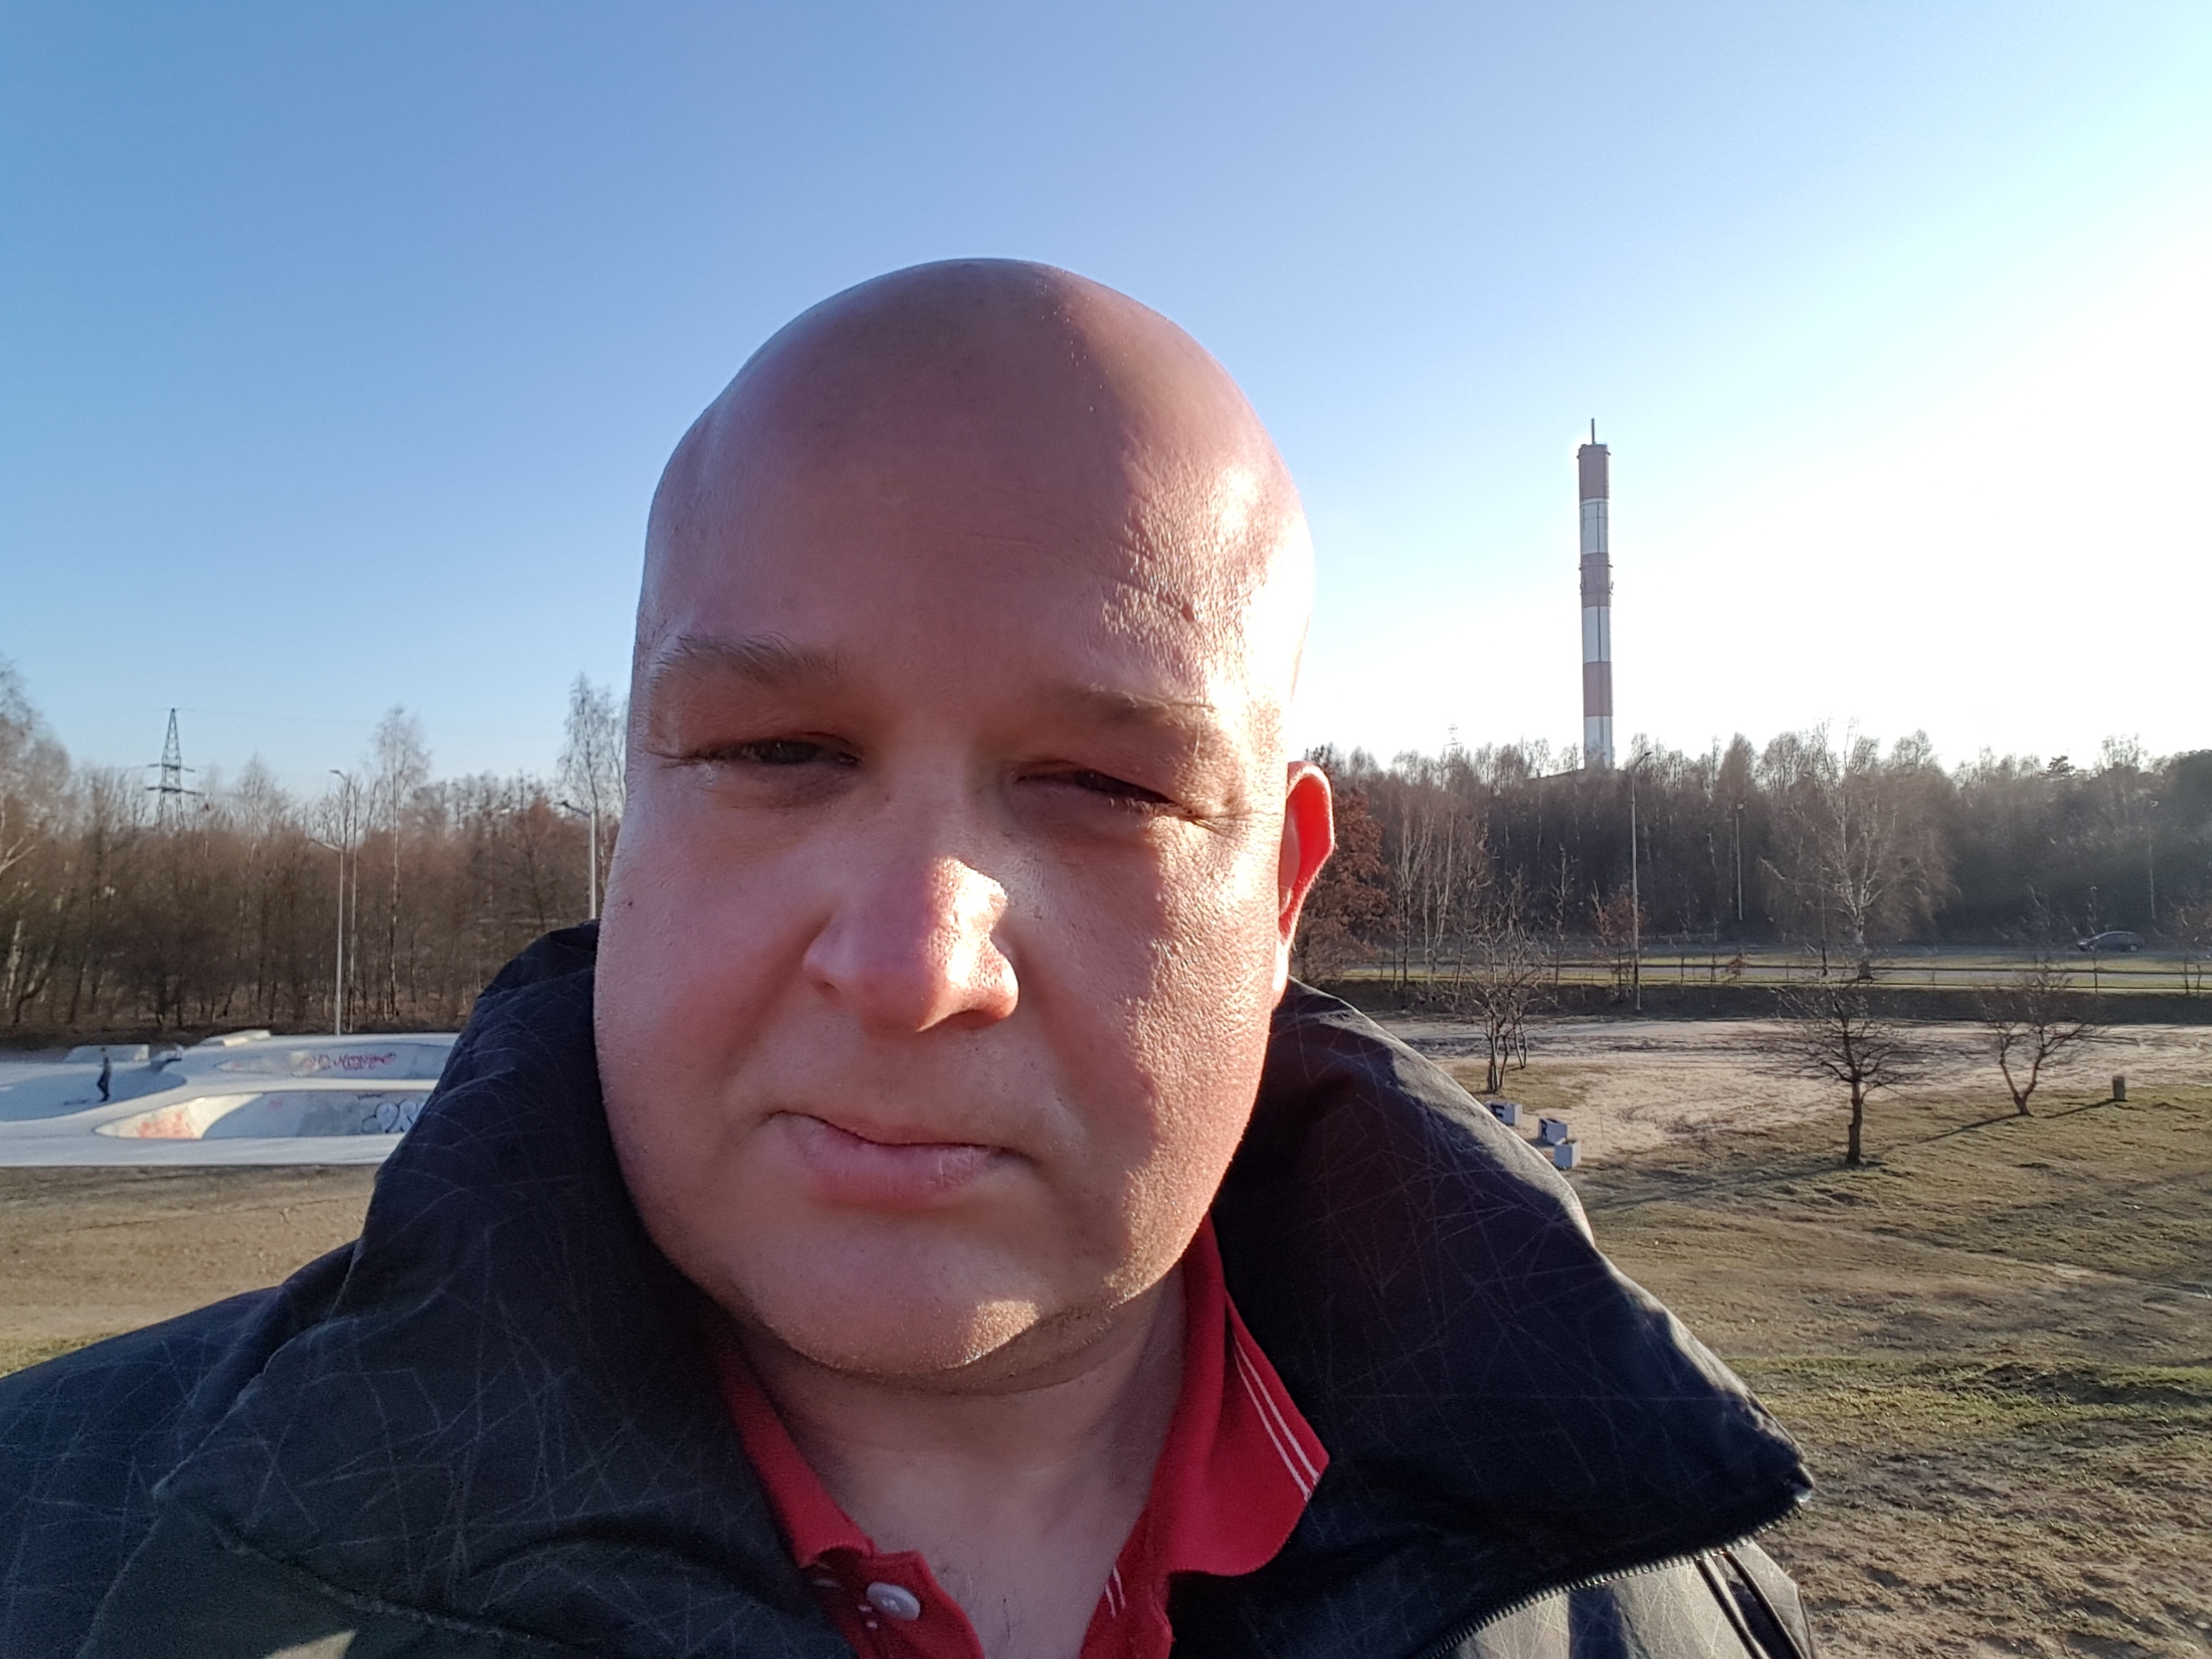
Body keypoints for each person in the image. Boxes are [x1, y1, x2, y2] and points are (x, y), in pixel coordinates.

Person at [0, 261, 1817, 1658]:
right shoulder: (58, 1554)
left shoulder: (1664, 1613)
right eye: (776, 753)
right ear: (629, 819)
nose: (912, 966)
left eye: (1107, 786)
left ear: (1278, 901)